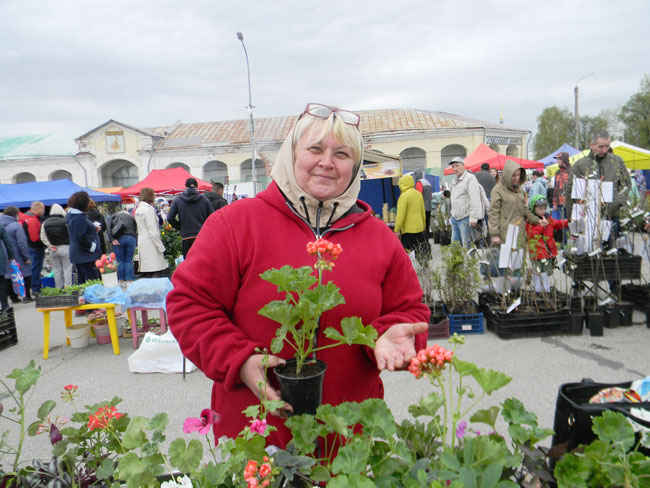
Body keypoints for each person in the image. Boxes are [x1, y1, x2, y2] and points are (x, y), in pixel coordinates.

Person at [166, 102, 429, 448]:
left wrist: (389, 336)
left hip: (348, 435)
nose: (327, 162)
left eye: (342, 154)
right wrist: (239, 360)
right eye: (315, 149)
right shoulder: (235, 224)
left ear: (355, 166)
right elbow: (189, 306)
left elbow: (411, 311)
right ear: (291, 154)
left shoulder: (380, 237)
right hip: (259, 435)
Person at [565, 130, 630, 232]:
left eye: (607, 146)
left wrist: (617, 202)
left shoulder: (617, 162)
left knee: (612, 247)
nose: (604, 150)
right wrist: (571, 218)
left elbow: (626, 185)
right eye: (600, 147)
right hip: (587, 217)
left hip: (612, 217)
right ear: (592, 145)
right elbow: (570, 192)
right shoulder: (580, 165)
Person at [489, 159, 545, 246]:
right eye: (513, 175)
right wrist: (494, 234)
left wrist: (537, 221)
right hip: (505, 233)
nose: (516, 178)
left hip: (520, 232)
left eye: (518, 175)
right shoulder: (497, 190)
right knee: (507, 258)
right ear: (507, 175)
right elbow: (493, 213)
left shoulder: (519, 189)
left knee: (520, 257)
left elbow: (524, 210)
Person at [166, 178, 213, 257]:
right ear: (197, 187)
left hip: (186, 237)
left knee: (189, 264)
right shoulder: (204, 200)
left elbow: (170, 217)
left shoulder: (178, 200)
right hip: (201, 236)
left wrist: (180, 227)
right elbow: (213, 217)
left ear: (185, 187)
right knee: (203, 262)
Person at [525, 195, 569, 273]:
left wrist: (567, 222)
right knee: (538, 273)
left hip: (548, 251)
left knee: (547, 273)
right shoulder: (531, 220)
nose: (543, 211)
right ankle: (539, 285)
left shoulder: (547, 217)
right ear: (533, 208)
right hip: (538, 252)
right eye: (540, 209)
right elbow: (532, 234)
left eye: (545, 208)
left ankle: (545, 285)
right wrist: (542, 226)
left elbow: (555, 223)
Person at [65, 192, 101, 284]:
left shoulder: (73, 216)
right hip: (86, 256)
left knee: (83, 282)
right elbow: (80, 238)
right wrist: (93, 247)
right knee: (91, 282)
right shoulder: (79, 218)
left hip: (80, 255)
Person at [448, 156, 484, 248]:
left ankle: (469, 263)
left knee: (467, 247)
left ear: (463, 166)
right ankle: (457, 263)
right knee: (455, 246)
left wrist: (473, 218)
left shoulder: (470, 179)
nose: (455, 169)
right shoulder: (454, 181)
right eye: (453, 167)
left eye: (457, 165)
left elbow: (475, 199)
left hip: (465, 219)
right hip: (455, 218)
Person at [134, 187, 168, 278]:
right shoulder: (149, 210)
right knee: (157, 268)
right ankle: (154, 290)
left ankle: (148, 290)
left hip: (142, 240)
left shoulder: (138, 210)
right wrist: (160, 246)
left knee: (147, 269)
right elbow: (153, 231)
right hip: (151, 242)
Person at [0, 207, 31, 302]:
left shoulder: (1, 225)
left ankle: (13, 298)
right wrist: (26, 257)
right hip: (17, 255)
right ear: (15, 214)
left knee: (8, 276)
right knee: (24, 274)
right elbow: (22, 243)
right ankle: (26, 296)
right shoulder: (16, 226)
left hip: (3, 255)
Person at [394, 174, 428, 260]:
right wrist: (424, 225)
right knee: (420, 250)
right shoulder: (418, 194)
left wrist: (397, 229)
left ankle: (410, 270)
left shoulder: (403, 196)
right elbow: (422, 211)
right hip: (420, 228)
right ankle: (424, 268)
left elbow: (400, 215)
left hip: (408, 230)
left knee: (408, 251)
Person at [40, 204, 73, 289]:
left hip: (53, 249)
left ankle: (58, 288)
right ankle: (68, 288)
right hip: (65, 247)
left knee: (57, 270)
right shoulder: (65, 221)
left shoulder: (45, 223)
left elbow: (42, 236)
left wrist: (49, 245)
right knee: (67, 269)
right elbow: (70, 233)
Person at [20, 201, 46, 297]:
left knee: (32, 268)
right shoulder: (32, 220)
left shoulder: (26, 218)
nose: (43, 211)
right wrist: (44, 244)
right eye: (43, 209)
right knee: (35, 268)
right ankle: (36, 289)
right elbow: (34, 238)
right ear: (38, 209)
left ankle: (34, 287)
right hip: (35, 248)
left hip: (29, 247)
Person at [108, 207, 138, 282]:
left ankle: (121, 280)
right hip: (131, 239)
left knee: (120, 261)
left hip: (119, 239)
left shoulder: (113, 216)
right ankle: (129, 280)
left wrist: (112, 239)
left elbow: (108, 227)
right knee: (129, 260)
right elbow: (135, 228)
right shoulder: (131, 217)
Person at [413, 170, 432, 238]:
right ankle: (427, 241)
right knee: (427, 224)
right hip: (429, 207)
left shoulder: (419, 183)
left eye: (414, 175)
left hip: (422, 208)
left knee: (422, 226)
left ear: (416, 175)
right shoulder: (428, 183)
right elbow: (430, 196)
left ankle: (424, 241)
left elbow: (418, 195)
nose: (414, 177)